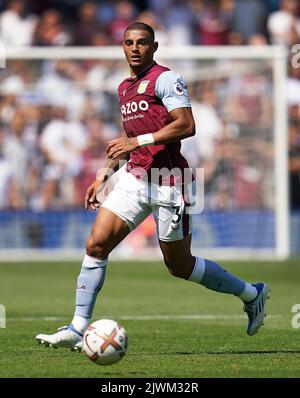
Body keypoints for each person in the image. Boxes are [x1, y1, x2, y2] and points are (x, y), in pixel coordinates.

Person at [36, 22, 269, 350]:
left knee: (179, 265)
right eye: (129, 43)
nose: (135, 48)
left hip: (170, 181)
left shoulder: (166, 78)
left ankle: (251, 293)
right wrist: (104, 174)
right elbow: (126, 142)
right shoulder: (123, 89)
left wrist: (137, 142)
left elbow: (187, 125)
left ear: (154, 47)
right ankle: (77, 327)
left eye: (142, 43)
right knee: (96, 244)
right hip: (135, 177)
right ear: (123, 47)